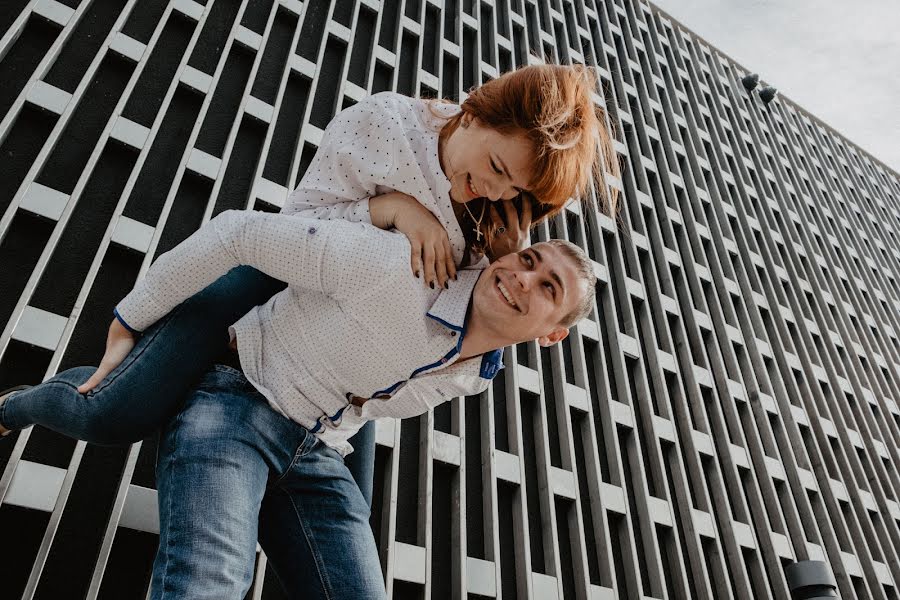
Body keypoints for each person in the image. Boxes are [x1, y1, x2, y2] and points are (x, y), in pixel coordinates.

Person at [0, 63, 618, 508]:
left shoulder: (494, 220)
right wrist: (393, 209)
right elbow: (293, 227)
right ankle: (16, 405)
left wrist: (497, 257)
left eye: (515, 190)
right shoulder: (388, 125)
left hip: (348, 360)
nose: (497, 191)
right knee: (115, 411)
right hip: (272, 283)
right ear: (478, 110)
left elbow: (452, 318)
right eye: (497, 169)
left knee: (355, 512)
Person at [117, 208, 598, 599]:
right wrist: (127, 321)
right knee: (212, 581)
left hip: (316, 451)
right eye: (529, 260)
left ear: (552, 335)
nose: (522, 278)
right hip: (240, 398)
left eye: (548, 288)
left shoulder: (476, 375)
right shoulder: (401, 268)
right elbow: (241, 231)